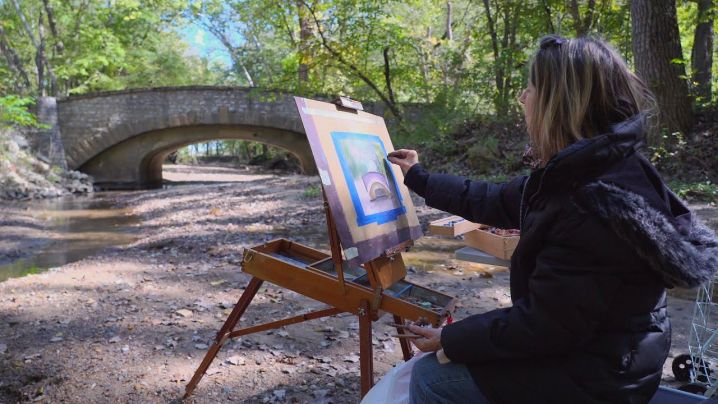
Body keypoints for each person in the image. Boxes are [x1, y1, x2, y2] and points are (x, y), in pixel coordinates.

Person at [388, 35, 718, 404]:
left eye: (529, 90)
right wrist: (419, 177)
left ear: (556, 104)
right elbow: (495, 199)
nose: (523, 99)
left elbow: (545, 327)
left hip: (602, 379)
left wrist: (451, 339)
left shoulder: (593, 201)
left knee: (434, 377)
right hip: (609, 355)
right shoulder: (588, 168)